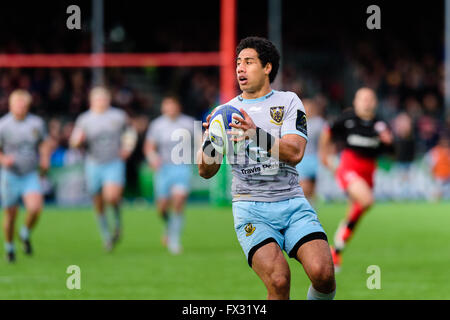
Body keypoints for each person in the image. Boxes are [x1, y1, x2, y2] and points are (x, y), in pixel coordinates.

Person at [197, 37, 336, 300]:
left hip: (293, 203)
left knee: (323, 274)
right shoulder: (224, 112)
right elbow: (206, 171)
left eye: (248, 62)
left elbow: (295, 152)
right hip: (251, 209)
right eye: (238, 63)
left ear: (267, 67)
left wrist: (254, 133)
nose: (240, 68)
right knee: (279, 280)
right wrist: (211, 143)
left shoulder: (288, 102)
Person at [319, 87, 393, 272]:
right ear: (356, 102)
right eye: (363, 99)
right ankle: (336, 243)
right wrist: (324, 155)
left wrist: (389, 143)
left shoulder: (380, 125)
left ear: (375, 102)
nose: (367, 102)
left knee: (358, 210)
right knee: (367, 200)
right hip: (349, 166)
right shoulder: (347, 119)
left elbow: (390, 153)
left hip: (369, 171)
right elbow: (327, 132)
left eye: (370, 99)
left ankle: (337, 249)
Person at [70, 86, 137, 251]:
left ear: (108, 100)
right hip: (93, 163)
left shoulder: (118, 116)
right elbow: (74, 140)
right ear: (91, 101)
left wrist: (127, 148)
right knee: (98, 201)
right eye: (97, 99)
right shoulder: (85, 119)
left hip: (113, 161)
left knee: (112, 196)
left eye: (103, 98)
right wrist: (78, 142)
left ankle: (117, 222)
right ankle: (106, 236)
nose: (101, 102)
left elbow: (130, 132)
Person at [0, 89, 53, 263]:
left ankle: (24, 233)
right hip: (11, 174)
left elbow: (44, 143)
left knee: (36, 207)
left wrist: (45, 158)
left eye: (23, 104)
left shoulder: (36, 124)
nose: (20, 107)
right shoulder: (4, 125)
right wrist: (4, 159)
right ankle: (9, 248)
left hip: (30, 173)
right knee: (11, 213)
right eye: (17, 104)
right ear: (11, 105)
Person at [144, 95, 197, 255]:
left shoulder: (188, 123)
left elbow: (202, 140)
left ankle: (174, 240)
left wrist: (203, 156)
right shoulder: (157, 125)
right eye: (167, 106)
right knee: (162, 207)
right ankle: (169, 226)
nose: (170, 109)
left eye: (172, 105)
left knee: (179, 201)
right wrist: (152, 158)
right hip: (164, 168)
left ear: (178, 107)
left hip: (183, 166)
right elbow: (149, 146)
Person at [295, 98, 326, 203]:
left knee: (313, 188)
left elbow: (325, 140)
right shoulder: (297, 123)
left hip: (315, 158)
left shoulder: (319, 122)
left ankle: (311, 211)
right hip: (302, 159)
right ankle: (303, 210)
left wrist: (324, 154)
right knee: (304, 187)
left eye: (309, 107)